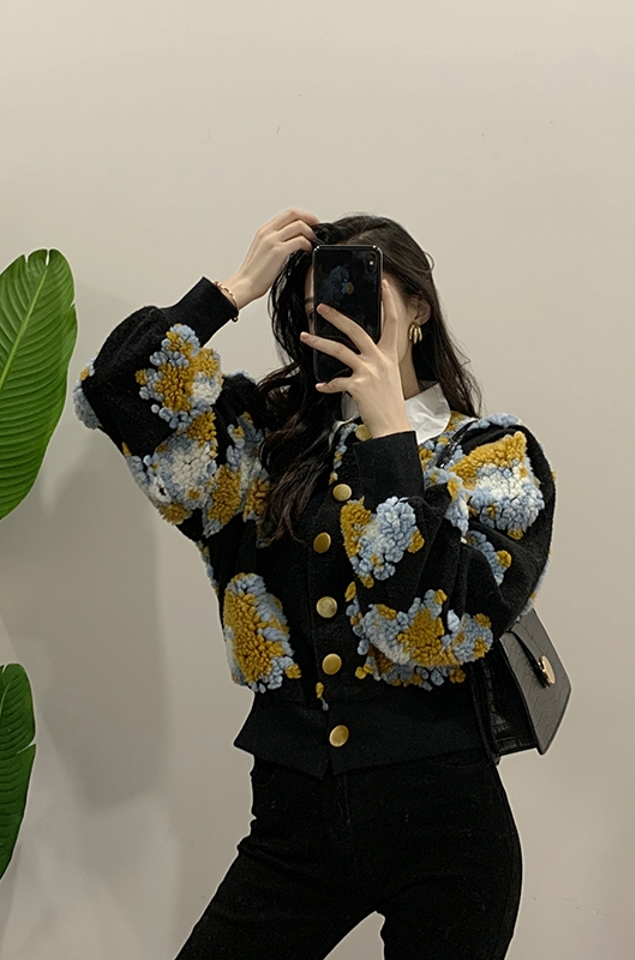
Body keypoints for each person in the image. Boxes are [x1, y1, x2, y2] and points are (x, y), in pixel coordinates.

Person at [74, 208, 555, 959]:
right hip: (292, 820)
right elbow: (117, 394)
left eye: (359, 299)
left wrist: (390, 435)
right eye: (314, 311)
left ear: (419, 307)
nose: (335, 322)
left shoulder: (492, 458)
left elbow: (430, 629)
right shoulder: (267, 443)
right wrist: (230, 293)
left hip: (446, 827)